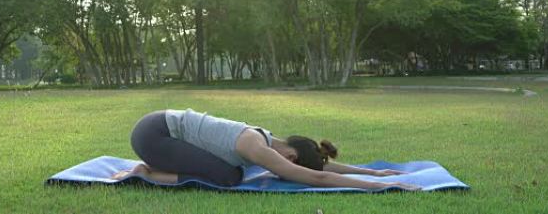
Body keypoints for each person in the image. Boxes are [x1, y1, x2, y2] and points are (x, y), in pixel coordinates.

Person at [111, 108, 420, 191]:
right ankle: (146, 172)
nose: (286, 172)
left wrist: (374, 171)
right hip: (153, 135)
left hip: (161, 128)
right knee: (228, 177)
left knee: (232, 172)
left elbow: (321, 170)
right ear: (292, 157)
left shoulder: (272, 140)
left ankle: (150, 169)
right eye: (291, 169)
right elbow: (318, 178)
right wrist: (378, 186)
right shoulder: (255, 145)